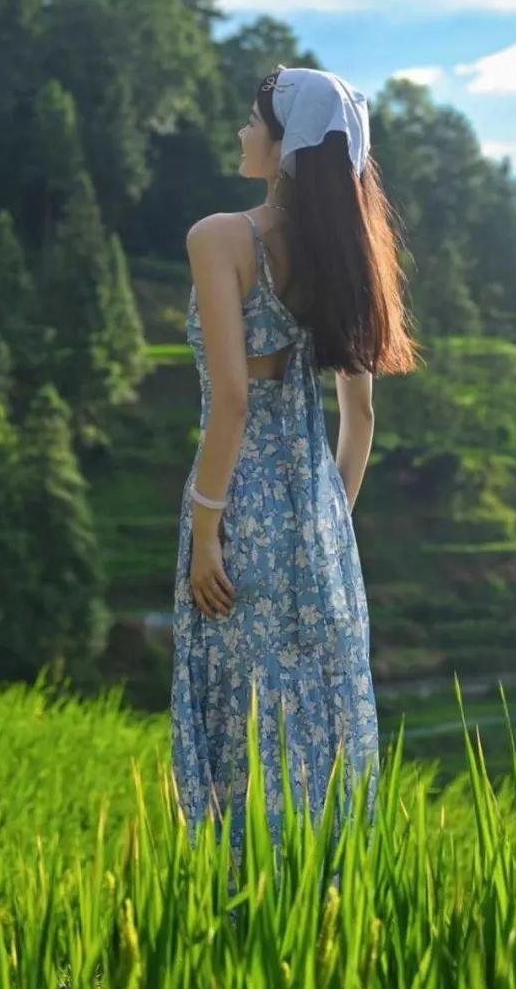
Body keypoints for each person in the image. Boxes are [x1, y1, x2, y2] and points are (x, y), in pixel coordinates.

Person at [170, 66, 422, 866]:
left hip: (238, 500)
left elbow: (233, 403)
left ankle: (238, 907)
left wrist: (208, 526)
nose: (243, 134)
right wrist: (326, 523)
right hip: (316, 519)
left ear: (282, 149)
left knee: (237, 713)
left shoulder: (220, 238)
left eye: (253, 122)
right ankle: (325, 902)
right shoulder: (343, 250)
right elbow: (362, 414)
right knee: (317, 723)